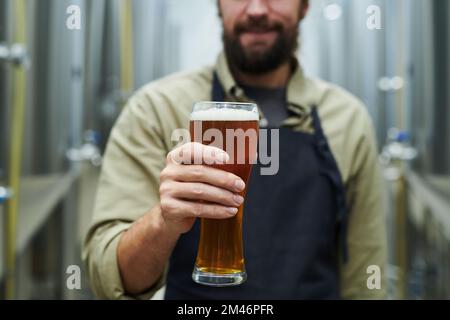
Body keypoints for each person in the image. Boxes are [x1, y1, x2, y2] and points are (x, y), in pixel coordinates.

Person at [83, 0, 387, 300]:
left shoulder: (348, 119)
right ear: (218, 5)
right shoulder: (157, 109)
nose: (256, 10)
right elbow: (110, 277)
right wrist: (162, 221)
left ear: (304, 6)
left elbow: (366, 273)